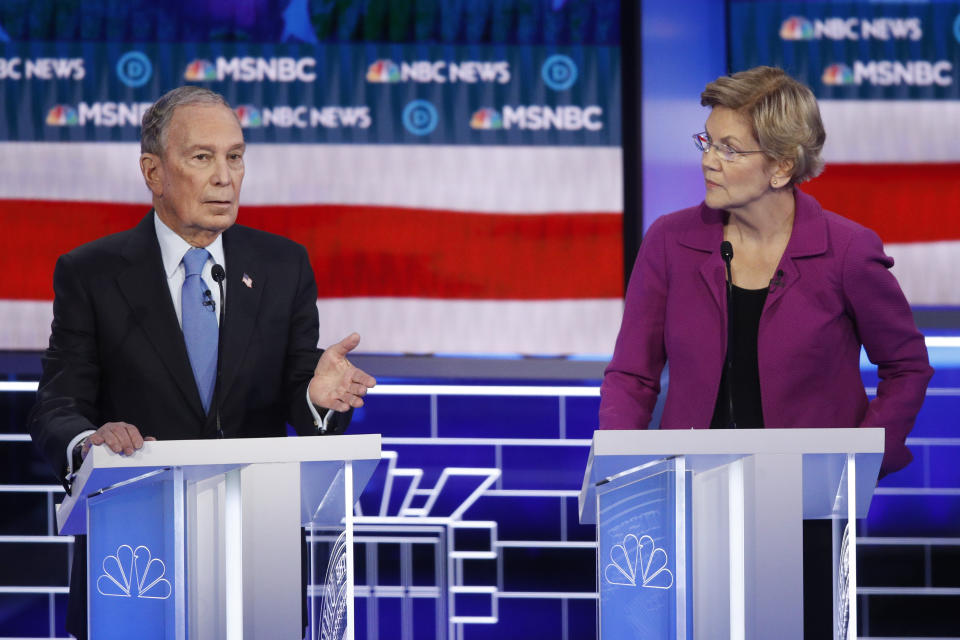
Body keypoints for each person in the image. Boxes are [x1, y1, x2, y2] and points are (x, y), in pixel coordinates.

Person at [27, 86, 376, 640]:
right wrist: (89, 440)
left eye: (235, 157)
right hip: (134, 565)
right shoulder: (91, 273)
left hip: (259, 564)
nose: (225, 176)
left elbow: (295, 390)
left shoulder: (282, 265)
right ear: (153, 171)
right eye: (202, 157)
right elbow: (58, 404)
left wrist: (316, 397)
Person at [598, 66, 933, 637]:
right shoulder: (670, 242)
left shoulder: (847, 252)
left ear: (782, 166)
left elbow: (906, 365)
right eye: (707, 141)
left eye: (730, 149)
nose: (709, 160)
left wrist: (860, 459)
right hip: (690, 496)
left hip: (808, 507)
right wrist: (618, 475)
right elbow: (633, 374)